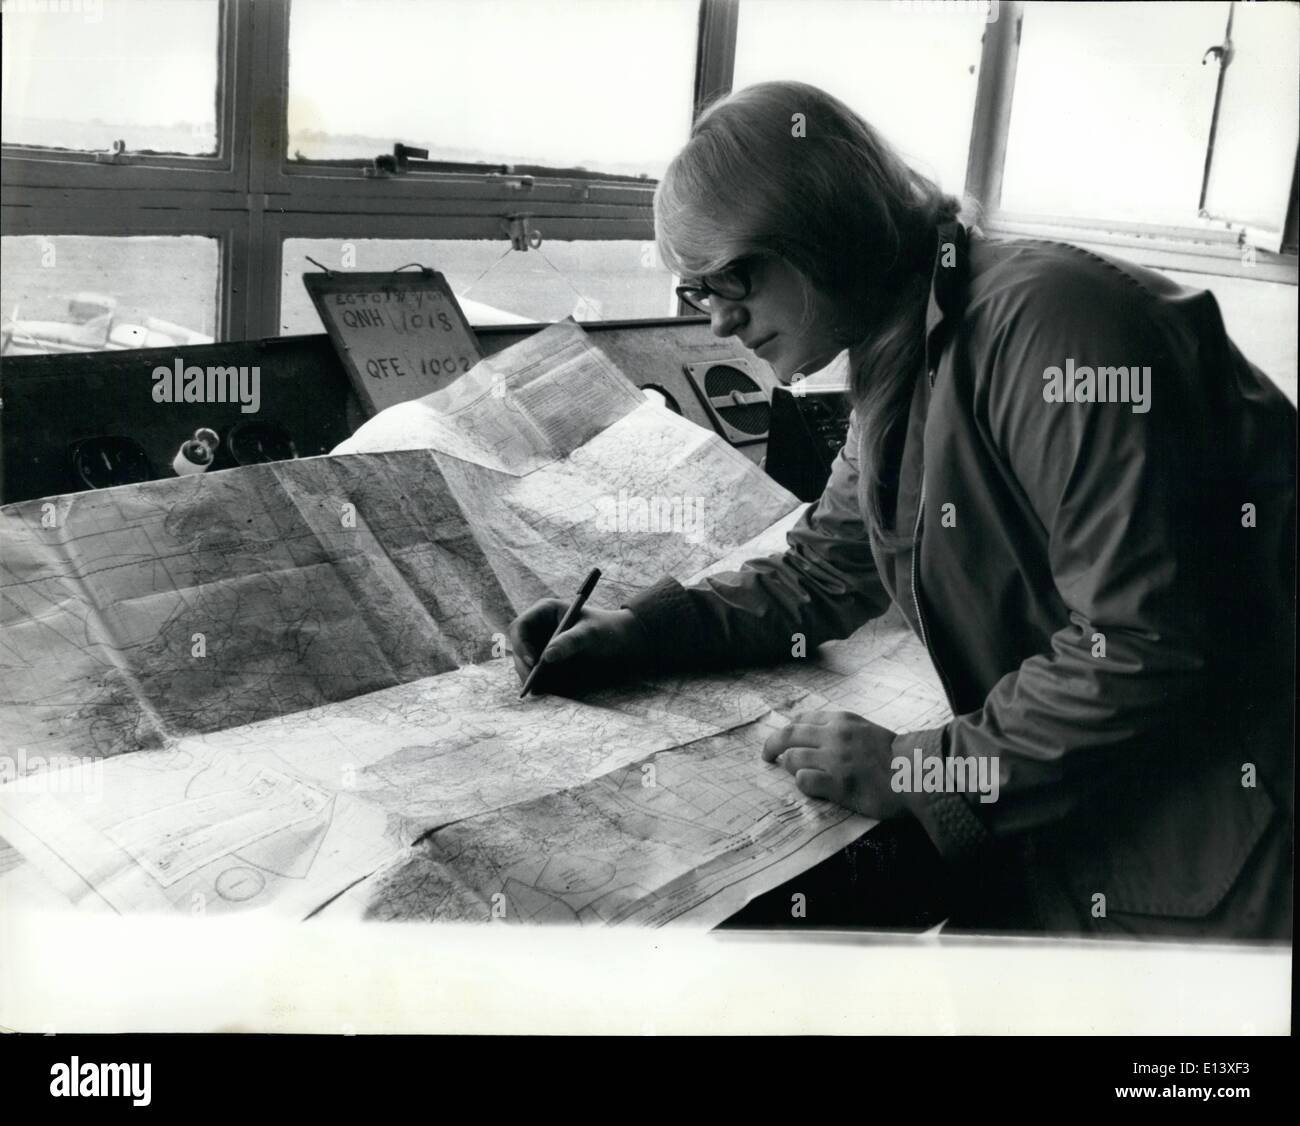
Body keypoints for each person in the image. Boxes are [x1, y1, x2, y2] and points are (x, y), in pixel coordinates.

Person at [508, 81, 1295, 940]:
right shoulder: (903, 350)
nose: (721, 320)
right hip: (1089, 843)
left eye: (732, 277)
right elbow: (822, 567)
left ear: (824, 229)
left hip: (1224, 877)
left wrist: (924, 772)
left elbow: (1148, 640)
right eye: (698, 292)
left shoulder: (1053, 329)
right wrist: (641, 632)